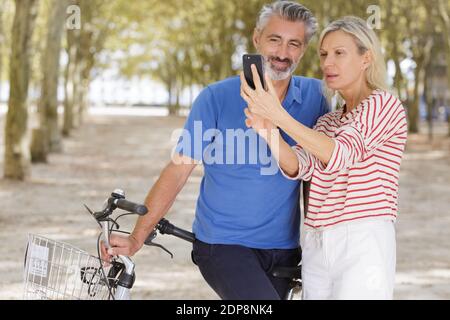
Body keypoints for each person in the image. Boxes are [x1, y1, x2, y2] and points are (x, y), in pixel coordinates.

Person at [101, 1, 329, 300]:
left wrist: (320, 247)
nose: (282, 53)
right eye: (274, 39)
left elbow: (316, 176)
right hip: (223, 246)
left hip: (284, 251)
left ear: (304, 48)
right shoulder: (215, 98)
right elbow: (178, 170)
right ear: (257, 38)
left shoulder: (316, 97)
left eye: (293, 43)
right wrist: (136, 238)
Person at [240, 16, 407, 299]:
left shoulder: (383, 104)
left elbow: (340, 153)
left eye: (339, 53)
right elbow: (299, 165)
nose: (328, 63)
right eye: (324, 54)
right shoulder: (327, 121)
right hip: (317, 240)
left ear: (366, 58)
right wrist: (267, 130)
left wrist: (278, 115)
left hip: (362, 238)